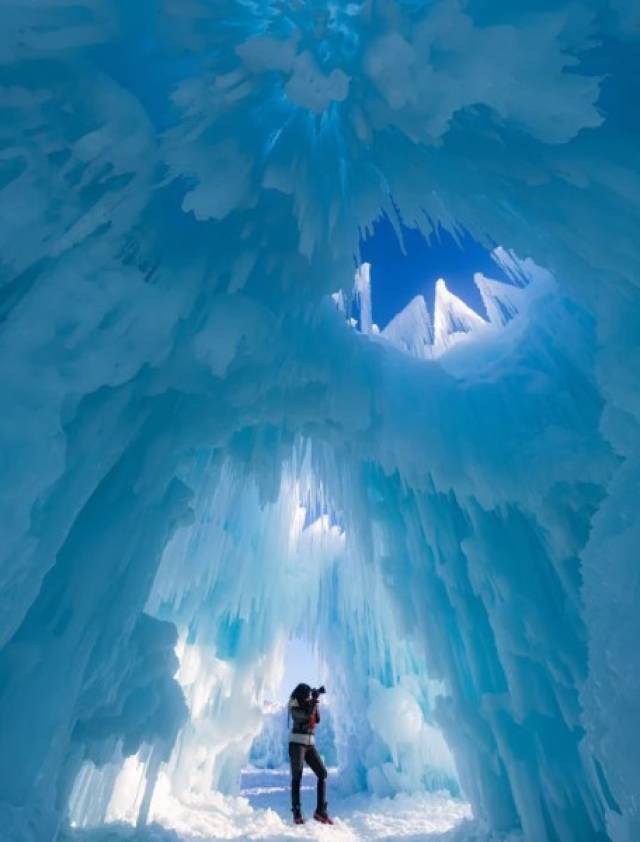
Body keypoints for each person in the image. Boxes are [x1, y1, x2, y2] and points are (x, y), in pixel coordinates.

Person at [288, 683, 334, 825]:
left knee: (322, 773)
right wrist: (313, 702)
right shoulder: (293, 705)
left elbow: (316, 719)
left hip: (309, 745)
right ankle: (297, 812)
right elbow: (305, 716)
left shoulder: (309, 704)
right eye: (307, 694)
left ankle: (320, 811)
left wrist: (315, 702)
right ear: (301, 694)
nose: (309, 697)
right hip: (297, 744)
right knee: (297, 777)